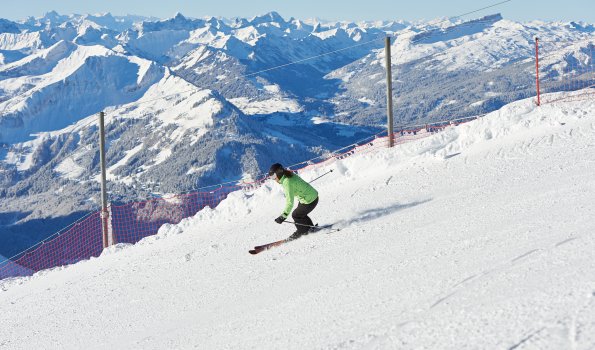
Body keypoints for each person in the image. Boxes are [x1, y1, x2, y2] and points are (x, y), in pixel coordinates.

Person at [269, 163, 319, 240]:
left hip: (309, 200)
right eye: (271, 177)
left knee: (296, 215)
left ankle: (303, 231)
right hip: (310, 196)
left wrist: (283, 216)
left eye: (274, 176)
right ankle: (309, 228)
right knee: (300, 214)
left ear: (278, 174)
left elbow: (290, 203)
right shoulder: (288, 175)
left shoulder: (287, 182)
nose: (273, 179)